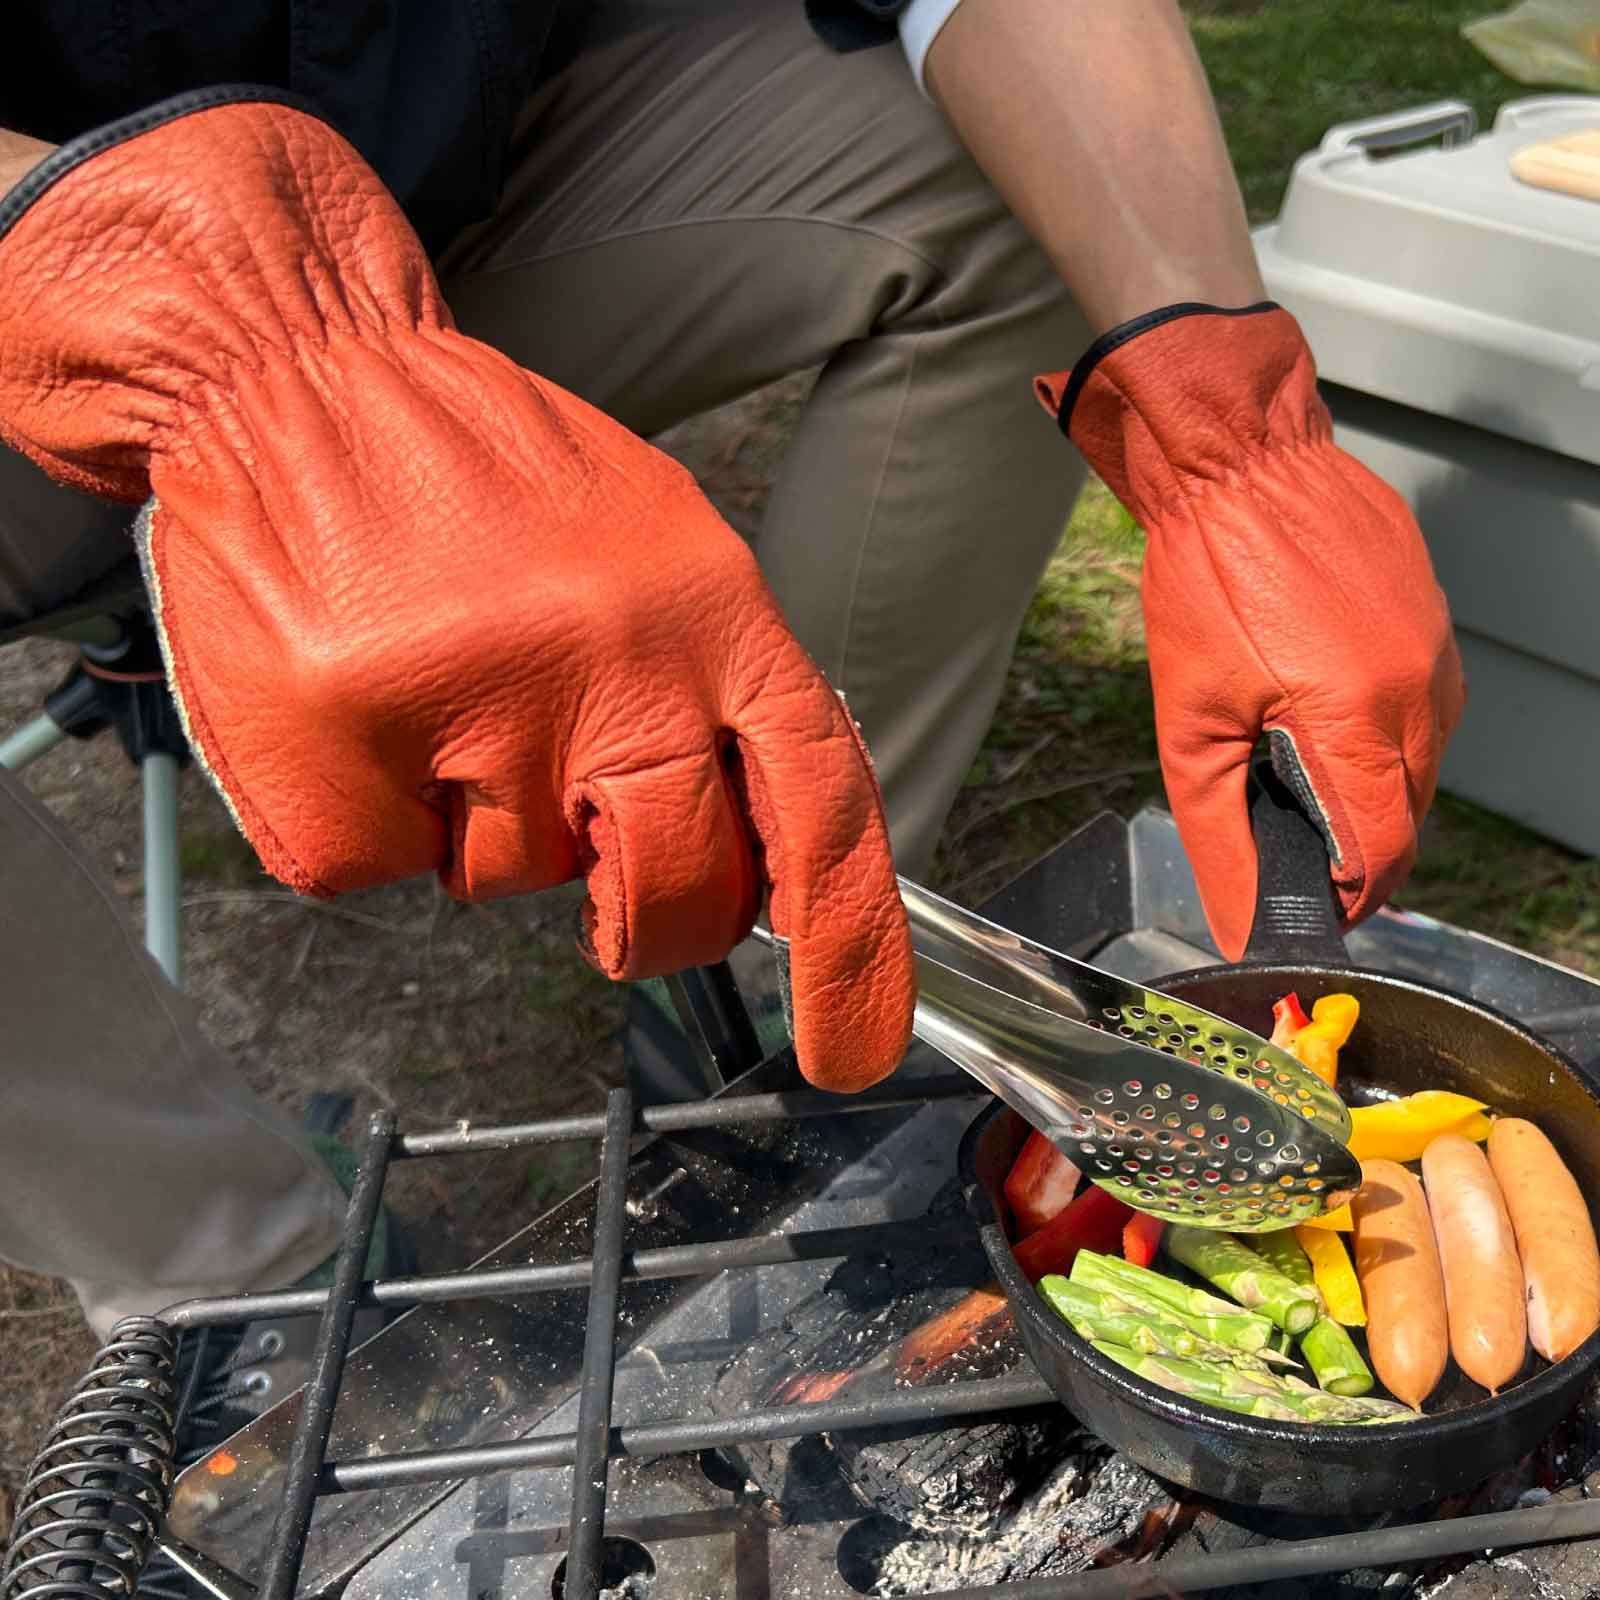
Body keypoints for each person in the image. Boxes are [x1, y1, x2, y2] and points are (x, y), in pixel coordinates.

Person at [0, 0, 1463, 1344]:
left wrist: (1230, 424)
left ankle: (785, 950)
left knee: (995, 180)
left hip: (418, 186)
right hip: (52, 259)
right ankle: (235, 1283)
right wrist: (232, 346)